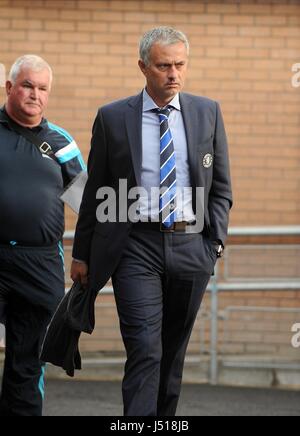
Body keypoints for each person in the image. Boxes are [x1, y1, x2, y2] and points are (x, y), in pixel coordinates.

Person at [71, 27, 233, 416]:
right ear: (143, 66)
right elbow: (96, 191)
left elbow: (221, 186)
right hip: (135, 246)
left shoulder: (207, 111)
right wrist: (81, 254)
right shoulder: (112, 117)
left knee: (172, 353)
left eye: (180, 65)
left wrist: (215, 243)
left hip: (192, 244)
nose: (173, 73)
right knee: (145, 347)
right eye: (163, 66)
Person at [0, 55, 85, 416]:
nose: (35, 94)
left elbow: (89, 205)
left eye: (42, 88)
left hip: (40, 263)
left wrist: (90, 253)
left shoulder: (61, 142)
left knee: (28, 358)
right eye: (27, 85)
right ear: (9, 87)